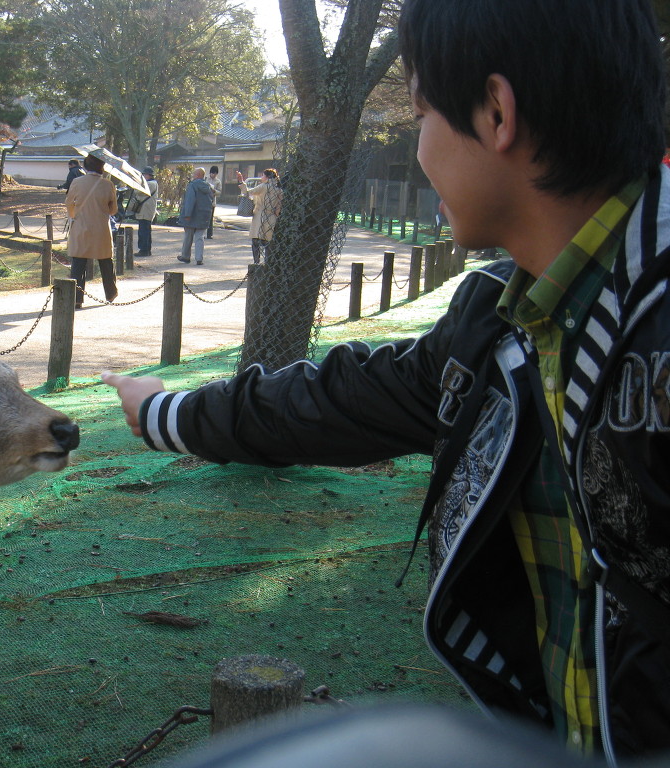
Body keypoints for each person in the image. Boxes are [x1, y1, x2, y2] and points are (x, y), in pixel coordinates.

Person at [104, 0, 670, 762]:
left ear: (496, 112)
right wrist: (168, 412)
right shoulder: (503, 321)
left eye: (423, 115)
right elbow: (337, 401)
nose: (420, 146)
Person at [66, 152, 118, 308]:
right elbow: (113, 210)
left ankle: (76, 299)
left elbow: (69, 203)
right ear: (102, 167)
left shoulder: (76, 182)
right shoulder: (108, 184)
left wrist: (74, 215)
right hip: (101, 228)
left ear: (85, 166)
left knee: (78, 263)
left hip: (81, 227)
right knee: (106, 262)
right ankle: (110, 293)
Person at [237, 168, 283, 263]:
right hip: (271, 216)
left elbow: (247, 192)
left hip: (259, 215)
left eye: (263, 175)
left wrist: (241, 182)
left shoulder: (263, 186)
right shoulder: (279, 189)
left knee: (255, 240)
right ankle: (267, 262)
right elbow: (279, 206)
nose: (261, 177)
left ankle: (256, 262)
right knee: (268, 241)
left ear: (267, 177)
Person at [178, 168, 214, 265]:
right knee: (200, 237)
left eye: (194, 174)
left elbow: (190, 200)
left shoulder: (192, 185)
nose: (193, 176)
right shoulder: (208, 187)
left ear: (197, 175)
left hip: (193, 214)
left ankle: (185, 256)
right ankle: (199, 258)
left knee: (188, 236)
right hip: (204, 215)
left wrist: (187, 214)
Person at [131, 166, 159, 258]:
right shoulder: (152, 183)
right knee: (145, 230)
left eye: (144, 174)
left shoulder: (151, 184)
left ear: (149, 175)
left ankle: (143, 250)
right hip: (146, 210)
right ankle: (146, 250)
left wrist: (135, 186)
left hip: (146, 210)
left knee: (143, 231)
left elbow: (139, 192)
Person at [205, 165, 222, 239]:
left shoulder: (218, 181)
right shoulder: (206, 179)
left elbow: (219, 192)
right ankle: (202, 233)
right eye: (212, 173)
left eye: (215, 174)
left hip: (212, 202)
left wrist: (214, 191)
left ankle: (209, 234)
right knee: (204, 217)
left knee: (210, 218)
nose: (213, 175)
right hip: (204, 200)